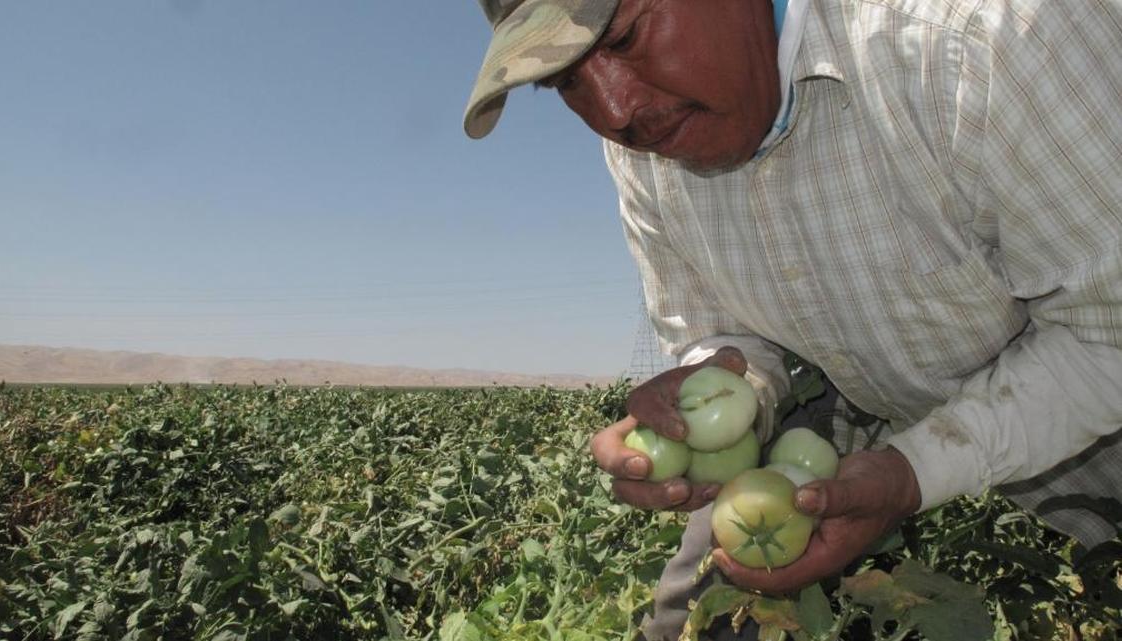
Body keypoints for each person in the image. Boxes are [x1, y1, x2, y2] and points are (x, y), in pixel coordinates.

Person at [463, 0, 1122, 638]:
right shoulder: (650, 147)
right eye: (566, 81)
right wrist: (716, 390)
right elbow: (721, 330)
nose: (614, 110)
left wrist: (913, 470)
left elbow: (1110, 337)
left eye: (628, 37)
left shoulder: (978, 34)